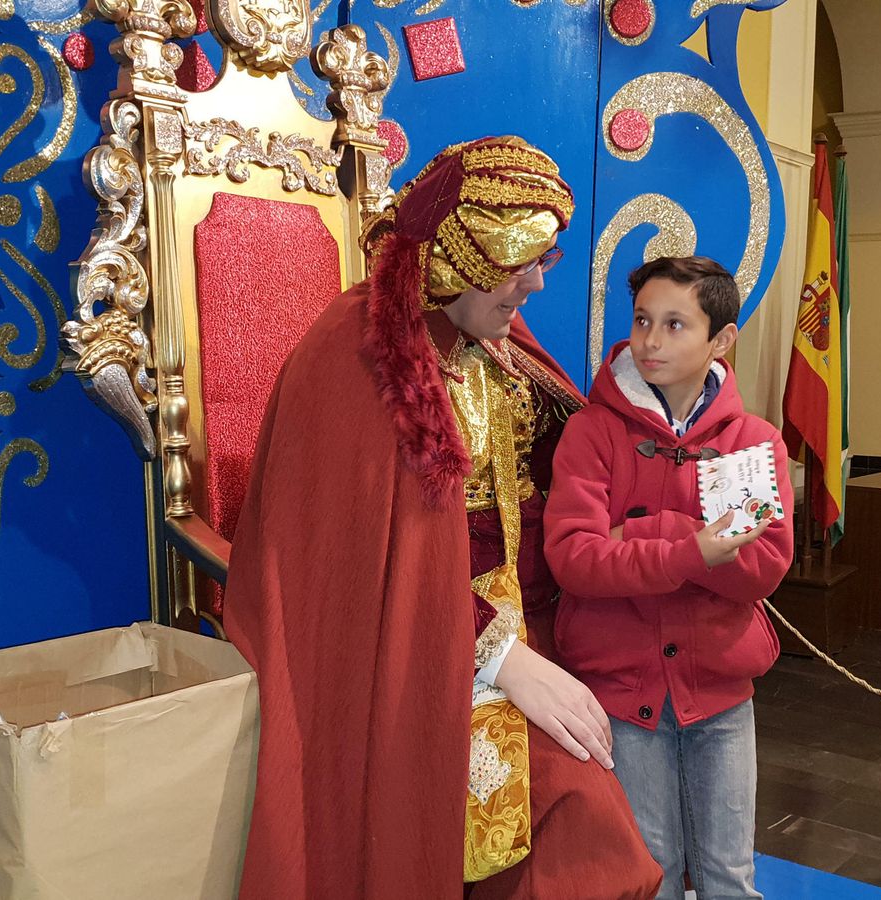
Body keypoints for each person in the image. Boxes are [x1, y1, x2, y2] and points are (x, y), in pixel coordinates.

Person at [224, 136, 661, 900]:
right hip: (420, 645)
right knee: (583, 837)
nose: (532, 284)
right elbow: (353, 569)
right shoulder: (356, 355)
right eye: (517, 262)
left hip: (545, 618)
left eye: (541, 259)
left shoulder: (490, 335)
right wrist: (502, 659)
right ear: (459, 255)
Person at [544, 256, 796, 899]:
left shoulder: (753, 442)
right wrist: (697, 547)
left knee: (729, 875)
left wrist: (643, 534)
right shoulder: (591, 432)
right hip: (622, 695)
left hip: (720, 691)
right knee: (647, 870)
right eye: (642, 321)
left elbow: (761, 568)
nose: (650, 342)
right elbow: (574, 559)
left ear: (722, 339)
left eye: (676, 324)